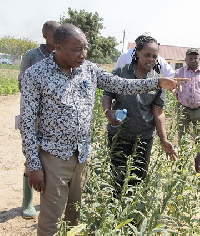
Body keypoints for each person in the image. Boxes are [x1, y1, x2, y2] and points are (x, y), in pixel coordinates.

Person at [20, 23, 188, 235]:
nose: (83, 54)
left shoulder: (88, 69)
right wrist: (33, 165)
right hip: (54, 157)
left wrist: (157, 82)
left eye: (85, 48)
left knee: (76, 216)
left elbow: (121, 85)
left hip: (82, 155)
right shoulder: (36, 75)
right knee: (51, 221)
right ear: (58, 47)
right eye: (76, 49)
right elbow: (26, 123)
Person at [102, 36, 177, 195]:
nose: (151, 59)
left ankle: (131, 219)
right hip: (118, 136)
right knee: (118, 177)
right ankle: (115, 215)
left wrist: (164, 140)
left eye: (155, 56)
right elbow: (107, 94)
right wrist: (108, 112)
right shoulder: (121, 72)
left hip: (143, 138)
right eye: (147, 55)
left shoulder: (158, 81)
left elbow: (159, 112)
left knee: (137, 180)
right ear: (137, 52)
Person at [18, 20, 61, 219]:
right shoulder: (32, 56)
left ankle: (48, 201)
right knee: (32, 157)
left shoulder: (61, 56)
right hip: (35, 116)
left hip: (56, 118)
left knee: (53, 159)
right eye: (55, 34)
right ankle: (27, 202)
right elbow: (23, 85)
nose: (59, 37)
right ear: (45, 35)